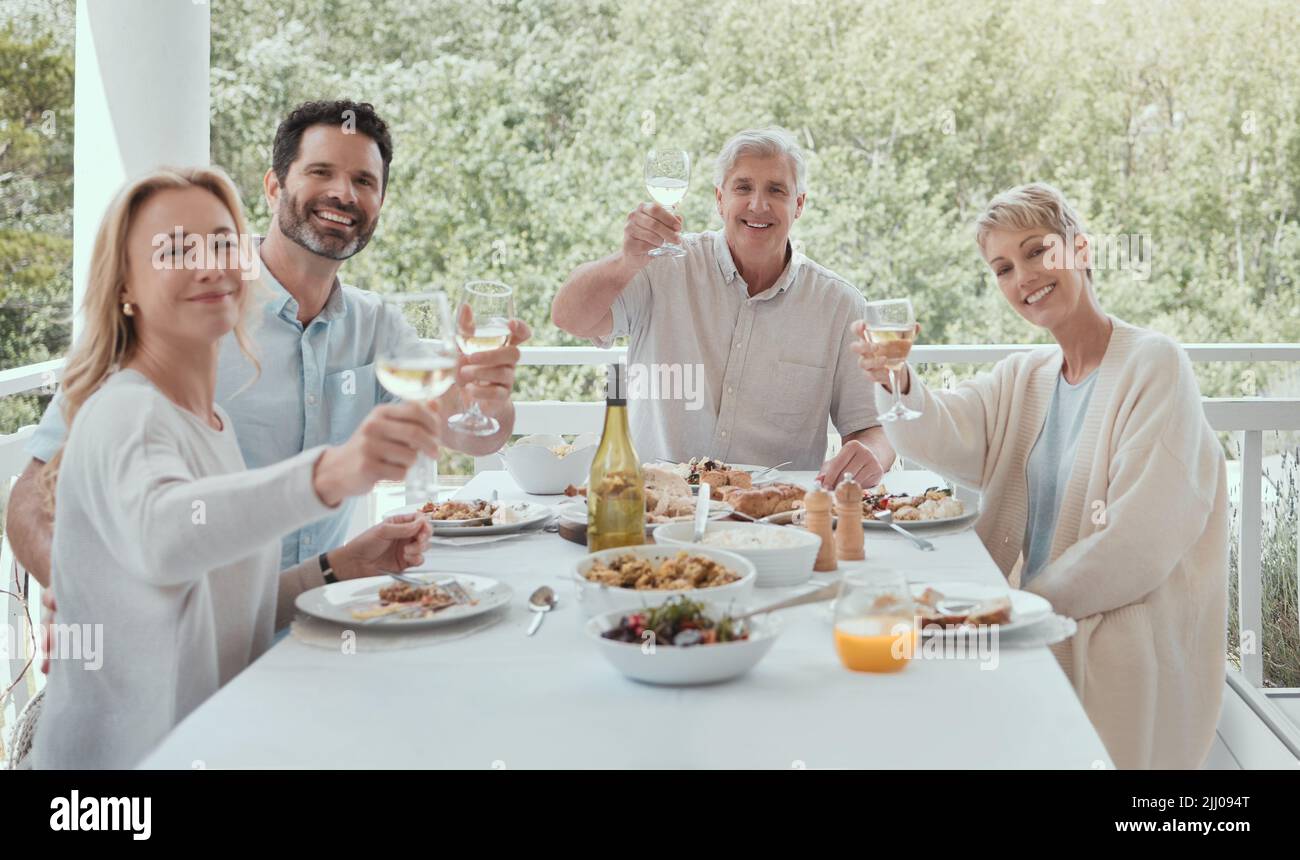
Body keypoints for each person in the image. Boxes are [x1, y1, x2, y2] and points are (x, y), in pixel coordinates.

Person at [7, 99, 529, 587]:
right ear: (274, 188)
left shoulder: (377, 325)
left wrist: (489, 395)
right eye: (321, 171)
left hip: (309, 614)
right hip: (200, 653)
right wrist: (92, 602)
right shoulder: (190, 318)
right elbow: (32, 502)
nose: (344, 194)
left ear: (380, 202)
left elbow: (475, 435)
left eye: (363, 180)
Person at [33, 168, 440, 768]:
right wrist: (328, 474)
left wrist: (337, 567)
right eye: (175, 249)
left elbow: (219, 617)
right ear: (125, 287)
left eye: (224, 242)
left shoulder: (212, 423)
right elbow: (164, 537)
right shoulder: (125, 410)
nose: (211, 264)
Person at [853, 182, 1227, 769]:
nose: (1023, 277)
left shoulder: (1154, 364)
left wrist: (1012, 610)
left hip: (1123, 633)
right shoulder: (1027, 375)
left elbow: (1138, 546)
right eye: (1003, 267)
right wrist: (895, 381)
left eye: (1036, 252)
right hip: (1042, 617)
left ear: (1080, 249)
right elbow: (941, 429)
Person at [551, 126, 893, 483]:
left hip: (773, 519)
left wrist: (872, 454)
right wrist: (624, 261)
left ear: (799, 205)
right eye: (743, 188)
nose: (758, 205)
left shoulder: (839, 304)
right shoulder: (661, 267)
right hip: (655, 506)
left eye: (776, 190)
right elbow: (569, 318)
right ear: (719, 200)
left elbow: (872, 427)